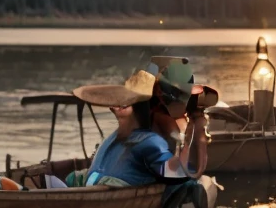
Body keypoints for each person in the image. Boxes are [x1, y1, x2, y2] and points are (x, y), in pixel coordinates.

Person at [82, 59, 212, 185]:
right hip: (113, 199)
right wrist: (197, 121)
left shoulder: (114, 138)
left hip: (96, 185)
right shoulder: (149, 142)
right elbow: (186, 172)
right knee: (195, 186)